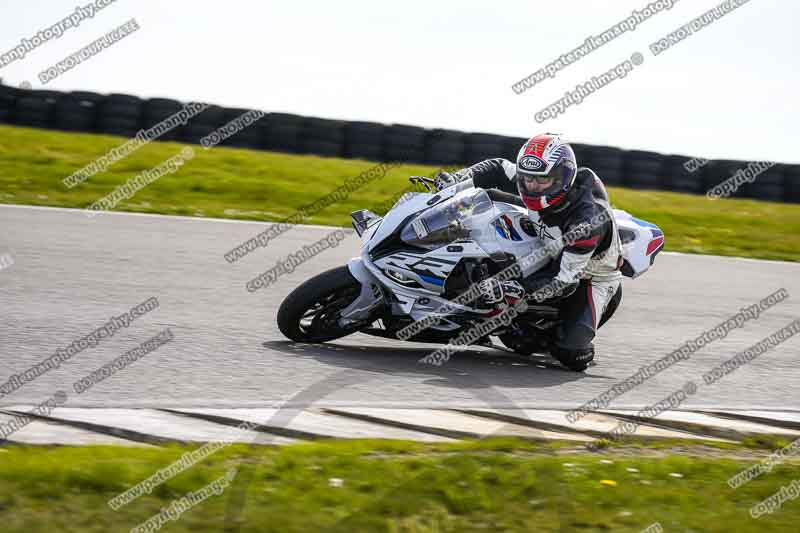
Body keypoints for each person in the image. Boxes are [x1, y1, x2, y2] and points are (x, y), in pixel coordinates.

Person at [434, 133, 623, 371]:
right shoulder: (538, 178)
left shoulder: (586, 222)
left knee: (570, 353)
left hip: (589, 276)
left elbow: (564, 282)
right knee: (482, 201)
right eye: (527, 179)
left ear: (562, 178)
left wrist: (515, 289)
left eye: (541, 180)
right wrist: (457, 179)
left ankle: (551, 330)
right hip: (546, 244)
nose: (532, 187)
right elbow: (498, 168)